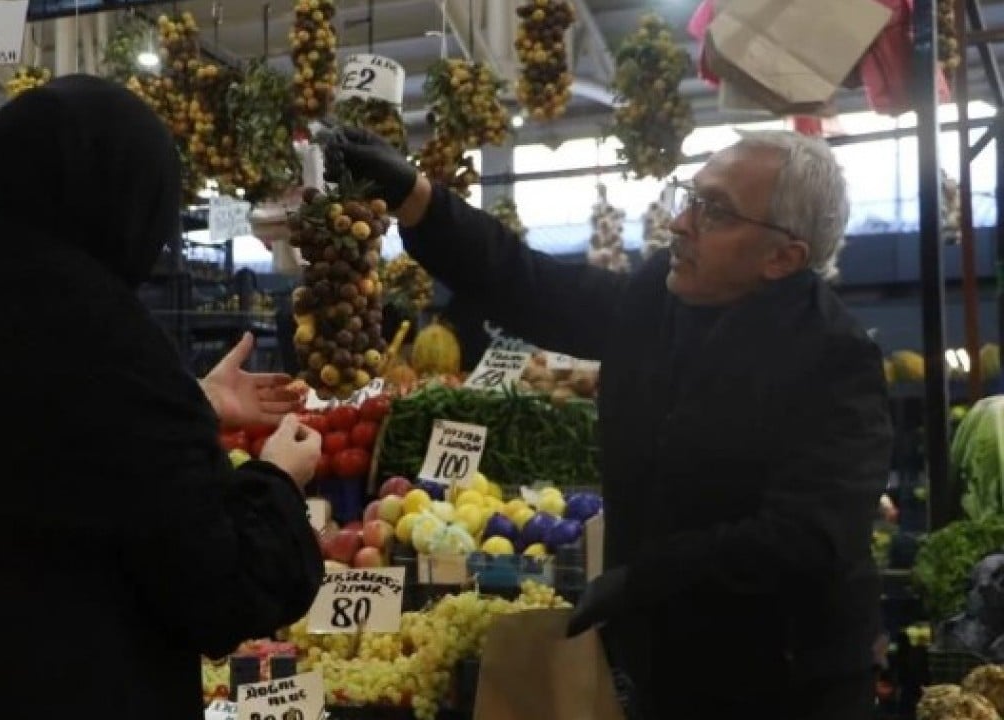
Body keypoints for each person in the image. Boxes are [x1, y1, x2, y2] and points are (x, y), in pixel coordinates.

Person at [0, 75, 324, 720]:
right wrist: (277, 481)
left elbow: (11, 445)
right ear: (130, 199)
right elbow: (220, 594)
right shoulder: (108, 344)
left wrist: (189, 406)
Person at [320, 127, 893, 720]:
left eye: (715, 211)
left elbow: (806, 537)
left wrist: (646, 578)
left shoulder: (833, 357)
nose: (681, 223)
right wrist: (418, 197)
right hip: (665, 668)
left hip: (787, 684)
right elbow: (533, 286)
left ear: (784, 257)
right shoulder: (660, 298)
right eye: (688, 196)